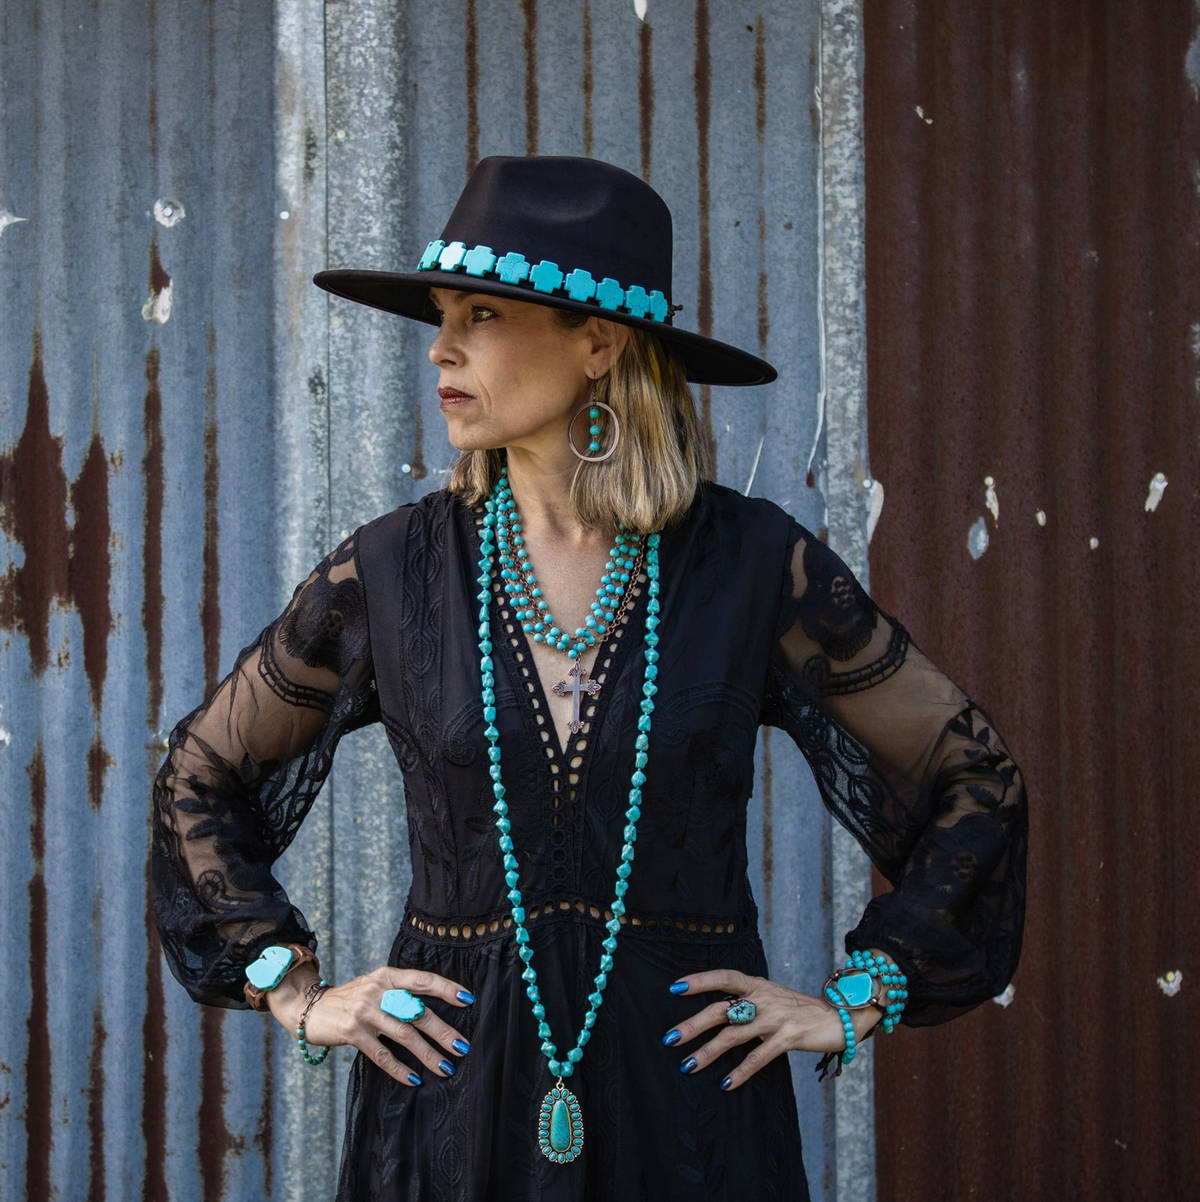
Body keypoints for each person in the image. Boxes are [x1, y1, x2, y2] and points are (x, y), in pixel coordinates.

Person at [153, 156, 1027, 1200]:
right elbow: (200, 774)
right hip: (451, 1107)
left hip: (691, 1109)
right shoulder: (393, 573)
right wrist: (293, 989)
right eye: (441, 314)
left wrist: (858, 995)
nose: (441, 347)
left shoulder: (751, 565)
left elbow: (975, 776)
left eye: (481, 313)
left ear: (599, 343)